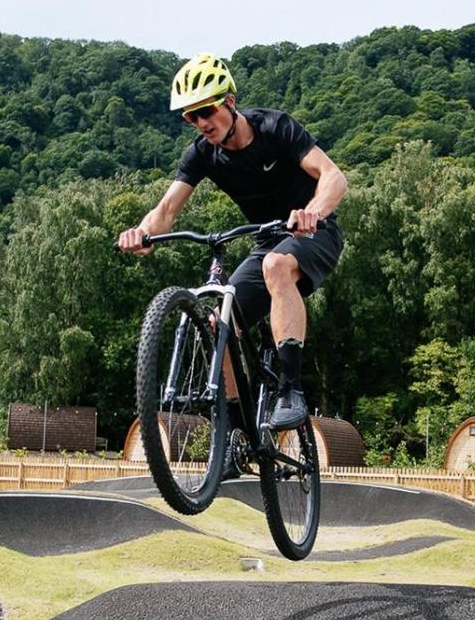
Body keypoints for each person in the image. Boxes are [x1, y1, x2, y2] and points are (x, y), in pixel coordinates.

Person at [117, 53, 347, 433]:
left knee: (276, 266)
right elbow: (166, 211)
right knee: (217, 323)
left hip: (314, 232)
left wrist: (312, 212)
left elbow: (333, 176)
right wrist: (141, 233)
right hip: (268, 240)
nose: (201, 123)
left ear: (230, 102)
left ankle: (290, 391)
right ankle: (236, 432)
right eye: (191, 117)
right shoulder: (201, 154)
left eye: (206, 111)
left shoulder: (274, 128)